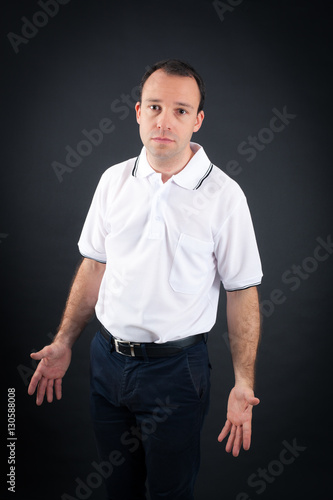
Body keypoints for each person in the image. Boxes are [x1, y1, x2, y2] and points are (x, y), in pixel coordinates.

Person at [28, 59, 263, 500]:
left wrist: (243, 381)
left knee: (170, 492)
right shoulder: (112, 181)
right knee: (116, 487)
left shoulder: (225, 197)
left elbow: (242, 292)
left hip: (177, 373)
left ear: (198, 120)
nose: (164, 121)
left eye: (179, 110)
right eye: (154, 107)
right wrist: (63, 342)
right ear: (138, 112)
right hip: (106, 361)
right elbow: (94, 266)